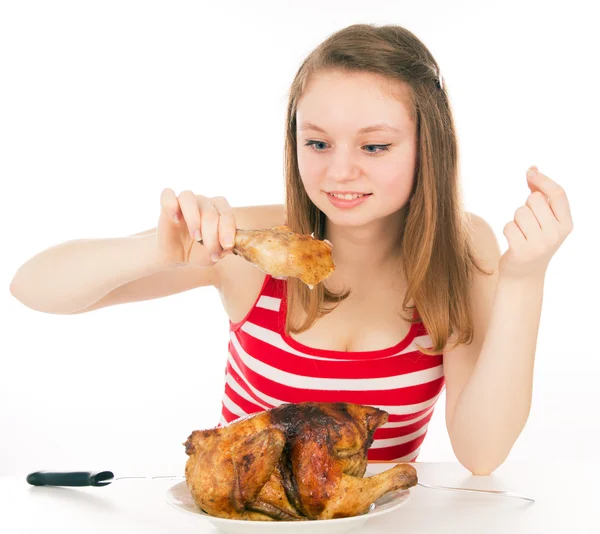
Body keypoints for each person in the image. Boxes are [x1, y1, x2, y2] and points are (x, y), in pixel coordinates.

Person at [9, 23, 573, 475]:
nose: (340, 171)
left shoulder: (460, 247)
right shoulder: (250, 244)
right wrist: (159, 252)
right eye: (317, 142)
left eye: (374, 145)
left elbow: (482, 453)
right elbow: (32, 287)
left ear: (430, 146)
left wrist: (524, 281)